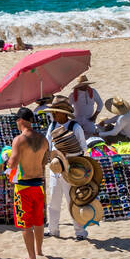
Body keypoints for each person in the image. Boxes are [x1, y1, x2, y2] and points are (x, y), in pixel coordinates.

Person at [39, 97, 90, 241]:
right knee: (54, 200)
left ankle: (80, 232)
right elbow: (47, 145)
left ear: (63, 113)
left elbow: (83, 149)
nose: (53, 115)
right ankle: (53, 229)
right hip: (55, 169)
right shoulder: (52, 125)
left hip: (70, 169)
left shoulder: (75, 127)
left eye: (56, 112)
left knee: (72, 201)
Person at [6, 106, 48, 259]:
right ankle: (39, 250)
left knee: (25, 223)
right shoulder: (43, 139)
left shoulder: (19, 140)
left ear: (21, 120)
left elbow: (13, 163)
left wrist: (7, 159)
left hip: (23, 186)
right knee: (38, 220)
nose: (16, 123)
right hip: (38, 185)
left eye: (17, 120)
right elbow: (45, 161)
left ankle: (31, 257)